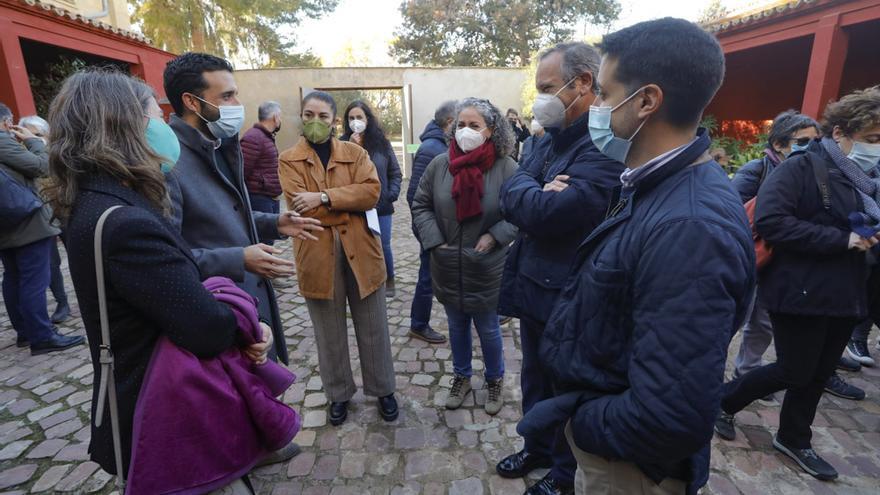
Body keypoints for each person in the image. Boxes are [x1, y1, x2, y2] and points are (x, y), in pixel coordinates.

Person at [519, 18, 755, 495]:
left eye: (604, 95)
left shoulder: (690, 225)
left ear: (647, 100)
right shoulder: (655, 185)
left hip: (628, 467)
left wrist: (581, 423)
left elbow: (671, 413)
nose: (596, 109)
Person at [46, 70, 287, 493]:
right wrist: (246, 321)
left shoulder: (96, 202)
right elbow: (204, 326)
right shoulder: (127, 221)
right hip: (168, 407)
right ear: (123, 127)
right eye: (151, 116)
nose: (161, 125)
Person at [716, 87, 880, 481]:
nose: (877, 148)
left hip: (845, 290)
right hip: (801, 289)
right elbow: (772, 222)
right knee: (794, 369)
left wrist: (865, 235)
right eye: (873, 138)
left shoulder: (862, 180)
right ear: (841, 132)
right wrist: (842, 240)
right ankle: (722, 401)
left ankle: (794, 437)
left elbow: (854, 219)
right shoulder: (802, 167)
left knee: (820, 372)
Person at [495, 41, 625, 495]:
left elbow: (549, 213)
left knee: (564, 386)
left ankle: (564, 473)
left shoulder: (605, 145)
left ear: (583, 83)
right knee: (534, 377)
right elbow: (514, 192)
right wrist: (534, 186)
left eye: (548, 87)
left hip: (571, 296)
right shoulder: (549, 139)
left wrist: (530, 191)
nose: (541, 99)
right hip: (534, 287)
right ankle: (536, 446)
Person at [162, 52, 322, 365]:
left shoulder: (222, 144)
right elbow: (168, 259)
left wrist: (274, 223)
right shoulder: (169, 163)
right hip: (218, 312)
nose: (237, 103)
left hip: (251, 305)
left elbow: (228, 213)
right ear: (192, 102)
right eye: (227, 96)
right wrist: (239, 258)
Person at [278, 90, 398, 427]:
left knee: (374, 326)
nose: (315, 121)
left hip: (362, 252)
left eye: (323, 116)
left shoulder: (355, 153)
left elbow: (372, 193)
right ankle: (338, 394)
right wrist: (346, 206)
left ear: (334, 121)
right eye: (308, 115)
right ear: (302, 117)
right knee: (328, 332)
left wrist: (325, 196)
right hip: (317, 254)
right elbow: (300, 207)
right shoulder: (289, 159)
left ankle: (383, 389)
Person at [412, 97, 518, 416]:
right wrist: (435, 242)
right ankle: (461, 376)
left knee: (487, 327)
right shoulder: (439, 164)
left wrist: (495, 235)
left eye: (474, 125)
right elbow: (421, 204)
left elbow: (520, 212)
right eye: (461, 125)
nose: (466, 131)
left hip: (486, 265)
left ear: (490, 130)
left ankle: (495, 379)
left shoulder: (507, 167)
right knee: (456, 326)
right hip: (446, 264)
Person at [730, 111, 820, 400]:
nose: (811, 147)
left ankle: (747, 372)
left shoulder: (814, 177)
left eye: (816, 141)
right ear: (781, 143)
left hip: (779, 266)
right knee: (733, 318)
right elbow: (731, 211)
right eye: (802, 141)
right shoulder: (757, 170)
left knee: (764, 323)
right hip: (748, 259)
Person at [0, 102, 84, 354]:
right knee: (34, 279)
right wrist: (35, 141)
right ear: (6, 121)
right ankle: (41, 335)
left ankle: (25, 332)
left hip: (7, 222)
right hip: (26, 222)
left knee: (13, 277)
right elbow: (42, 166)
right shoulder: (3, 141)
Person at [405, 100, 457, 344]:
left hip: (445, 226)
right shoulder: (431, 149)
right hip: (433, 229)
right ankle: (419, 324)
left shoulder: (442, 144)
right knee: (428, 277)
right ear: (449, 122)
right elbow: (415, 195)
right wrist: (430, 233)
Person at [340, 100, 403, 297]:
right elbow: (339, 174)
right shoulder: (341, 143)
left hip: (380, 206)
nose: (355, 121)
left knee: (383, 245)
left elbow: (395, 172)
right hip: (354, 205)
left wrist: (390, 195)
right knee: (359, 245)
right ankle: (364, 281)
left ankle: (389, 279)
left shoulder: (381, 143)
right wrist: (350, 147)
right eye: (351, 118)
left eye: (359, 117)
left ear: (368, 119)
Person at [19, 114, 71, 323]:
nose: (35, 139)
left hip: (66, 210)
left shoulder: (61, 151)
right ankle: (62, 302)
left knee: (78, 255)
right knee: (52, 263)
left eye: (38, 135)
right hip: (43, 215)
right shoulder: (23, 157)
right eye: (29, 135)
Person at [241, 101, 283, 245]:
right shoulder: (254, 137)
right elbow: (242, 172)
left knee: (268, 241)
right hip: (259, 199)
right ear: (276, 117)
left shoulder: (265, 137)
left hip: (268, 198)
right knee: (263, 243)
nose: (280, 120)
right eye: (280, 117)